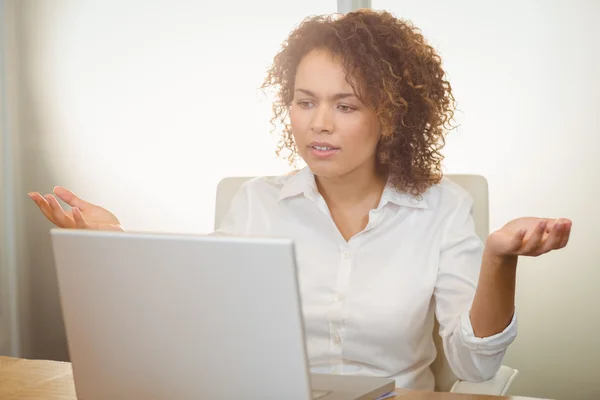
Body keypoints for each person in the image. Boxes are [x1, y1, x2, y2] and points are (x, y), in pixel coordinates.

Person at [28, 9, 571, 390]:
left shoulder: (444, 207)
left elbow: (474, 368)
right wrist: (114, 243)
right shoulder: (256, 202)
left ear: (390, 116)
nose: (319, 124)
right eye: (305, 101)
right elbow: (201, 319)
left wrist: (498, 260)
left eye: (346, 106)